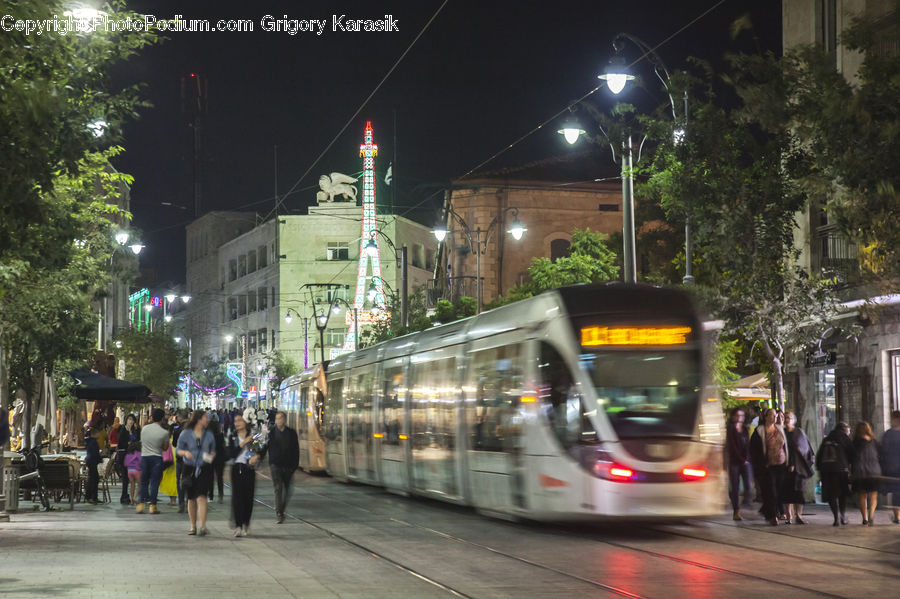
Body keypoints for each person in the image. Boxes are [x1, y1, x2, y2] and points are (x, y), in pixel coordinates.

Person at [176, 410, 216, 536]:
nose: (208, 419)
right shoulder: (185, 433)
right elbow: (178, 450)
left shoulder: (209, 435)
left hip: (204, 468)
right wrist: (185, 453)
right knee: (191, 498)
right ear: (199, 419)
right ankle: (193, 526)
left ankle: (202, 526)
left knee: (202, 497)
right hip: (189, 468)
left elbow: (213, 450)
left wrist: (210, 457)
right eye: (205, 417)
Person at [750, 408, 788, 525]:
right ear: (765, 417)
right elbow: (754, 450)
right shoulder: (760, 431)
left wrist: (788, 461)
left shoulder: (780, 429)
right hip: (767, 466)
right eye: (771, 415)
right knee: (770, 491)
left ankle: (770, 511)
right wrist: (760, 463)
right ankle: (772, 515)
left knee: (779, 491)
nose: (774, 417)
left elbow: (786, 446)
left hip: (780, 465)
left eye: (775, 415)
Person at [229, 414, 264, 537]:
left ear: (245, 422)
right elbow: (231, 454)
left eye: (239, 420)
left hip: (249, 469)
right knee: (237, 498)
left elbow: (261, 450)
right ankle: (238, 526)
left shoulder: (254, 435)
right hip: (236, 469)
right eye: (235, 421)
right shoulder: (232, 436)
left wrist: (256, 456)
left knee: (248, 498)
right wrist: (243, 443)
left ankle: (246, 523)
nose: (236, 423)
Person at [817, 422, 854, 526]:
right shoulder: (844, 438)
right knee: (842, 494)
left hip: (826, 471)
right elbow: (852, 453)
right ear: (844, 430)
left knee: (831, 495)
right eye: (848, 431)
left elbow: (819, 456)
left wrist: (820, 469)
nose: (849, 433)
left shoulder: (826, 439)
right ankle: (842, 516)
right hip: (840, 470)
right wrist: (848, 465)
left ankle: (836, 517)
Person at [782, 411, 815, 524]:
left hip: (798, 467)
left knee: (798, 492)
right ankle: (788, 516)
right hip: (784, 466)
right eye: (785, 417)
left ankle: (799, 515)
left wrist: (794, 463)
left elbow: (804, 448)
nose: (787, 420)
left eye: (789, 418)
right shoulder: (782, 432)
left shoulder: (798, 432)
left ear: (794, 420)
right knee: (786, 492)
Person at [136, 408, 170, 515]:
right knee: (154, 482)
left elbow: (142, 442)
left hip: (145, 457)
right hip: (157, 458)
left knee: (144, 481)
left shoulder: (144, 429)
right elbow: (165, 448)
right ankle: (152, 506)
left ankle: (141, 504)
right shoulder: (164, 432)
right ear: (162, 418)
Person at [268, 411, 300, 523]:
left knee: (287, 490)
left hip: (288, 465)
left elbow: (296, 450)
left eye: (280, 418)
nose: (278, 421)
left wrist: (295, 465)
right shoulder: (271, 432)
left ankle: (281, 509)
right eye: (276, 419)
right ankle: (278, 512)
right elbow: (265, 447)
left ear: (284, 420)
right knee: (278, 489)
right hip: (275, 464)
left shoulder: (291, 433)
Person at [851, 421, 881, 526]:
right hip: (874, 471)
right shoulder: (874, 442)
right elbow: (880, 456)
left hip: (860, 472)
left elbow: (851, 457)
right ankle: (871, 516)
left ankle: (865, 518)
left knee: (862, 495)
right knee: (873, 495)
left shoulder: (855, 442)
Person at [725, 407, 752, 521]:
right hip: (735, 462)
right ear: (734, 416)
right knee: (735, 486)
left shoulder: (745, 429)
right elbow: (732, 447)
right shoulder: (730, 429)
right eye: (738, 415)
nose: (740, 417)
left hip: (744, 461)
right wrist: (742, 459)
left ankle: (746, 502)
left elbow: (747, 445)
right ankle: (736, 510)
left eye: (742, 415)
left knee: (748, 484)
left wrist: (746, 458)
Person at [881, 411, 900, 524]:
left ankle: (897, 517)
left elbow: (883, 452)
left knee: (895, 492)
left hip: (892, 468)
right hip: (893, 468)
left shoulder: (888, 434)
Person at [117, 414, 141, 504]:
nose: (131, 421)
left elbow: (135, 441)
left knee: (131, 478)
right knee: (125, 477)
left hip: (132, 456)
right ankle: (124, 496)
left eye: (132, 420)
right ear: (126, 420)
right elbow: (121, 442)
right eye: (129, 419)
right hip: (124, 455)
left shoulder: (133, 430)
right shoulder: (122, 429)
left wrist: (133, 432)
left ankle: (130, 497)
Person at [170, 410, 187, 513]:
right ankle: (190, 501)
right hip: (190, 459)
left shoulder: (178, 430)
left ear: (180, 418)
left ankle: (181, 503)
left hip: (180, 458)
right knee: (189, 480)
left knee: (179, 481)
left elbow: (175, 444)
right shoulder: (193, 429)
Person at [207, 417, 226, 504]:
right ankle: (220, 495)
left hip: (210, 458)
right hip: (220, 458)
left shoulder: (208, 436)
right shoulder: (221, 436)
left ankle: (210, 496)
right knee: (219, 477)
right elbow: (223, 447)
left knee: (210, 477)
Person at [84, 426, 102, 504]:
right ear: (94, 434)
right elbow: (94, 453)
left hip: (90, 461)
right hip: (92, 461)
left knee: (93, 479)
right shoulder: (93, 442)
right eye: (98, 433)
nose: (99, 434)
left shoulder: (90, 441)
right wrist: (99, 459)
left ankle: (92, 496)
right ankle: (91, 497)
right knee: (93, 479)